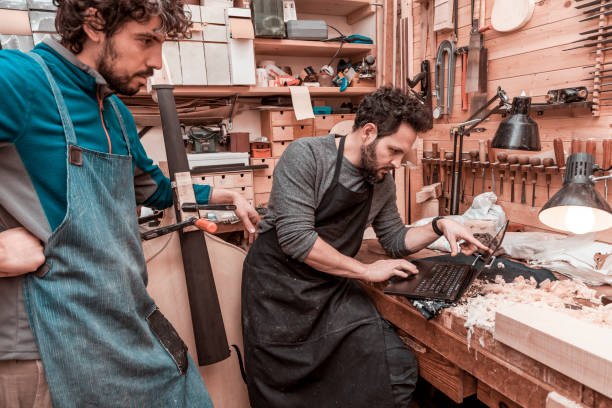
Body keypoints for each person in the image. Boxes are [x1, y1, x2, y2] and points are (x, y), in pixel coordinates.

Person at [0, 0, 260, 406]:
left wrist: (228, 195)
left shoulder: (116, 112)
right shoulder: (19, 80)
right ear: (93, 23)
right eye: (145, 40)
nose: (157, 60)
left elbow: (153, 190)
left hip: (122, 323)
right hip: (45, 349)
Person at [241, 87, 489, 407]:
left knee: (393, 369)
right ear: (369, 132)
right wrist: (365, 270)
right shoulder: (306, 156)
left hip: (329, 289)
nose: (398, 163)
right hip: (278, 293)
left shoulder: (380, 180)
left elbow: (395, 240)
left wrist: (440, 225)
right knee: (282, 395)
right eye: (395, 151)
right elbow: (296, 239)